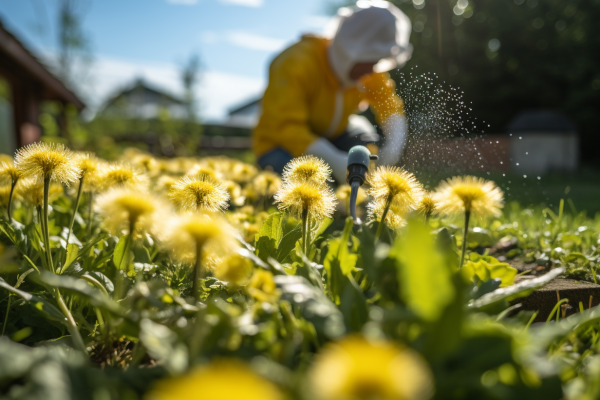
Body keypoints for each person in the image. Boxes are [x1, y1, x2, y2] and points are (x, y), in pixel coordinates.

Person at [253, 1, 413, 182]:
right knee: (310, 184)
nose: (371, 70)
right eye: (369, 61)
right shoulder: (295, 63)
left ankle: (355, 189)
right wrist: (335, 161)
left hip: (333, 138)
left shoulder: (367, 68)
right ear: (349, 51)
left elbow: (388, 103)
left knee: (363, 136)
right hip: (279, 147)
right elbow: (286, 128)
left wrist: (394, 145)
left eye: (376, 62)